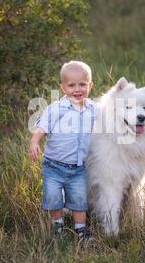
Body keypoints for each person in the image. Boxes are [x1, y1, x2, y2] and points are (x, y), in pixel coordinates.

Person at [29, 60, 95, 242]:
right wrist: (34, 142)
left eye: (82, 84)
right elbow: (42, 127)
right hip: (53, 166)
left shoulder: (93, 110)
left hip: (78, 167)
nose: (77, 89)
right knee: (53, 198)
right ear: (63, 87)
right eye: (71, 85)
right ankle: (57, 226)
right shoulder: (55, 108)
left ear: (90, 85)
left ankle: (80, 230)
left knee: (79, 200)